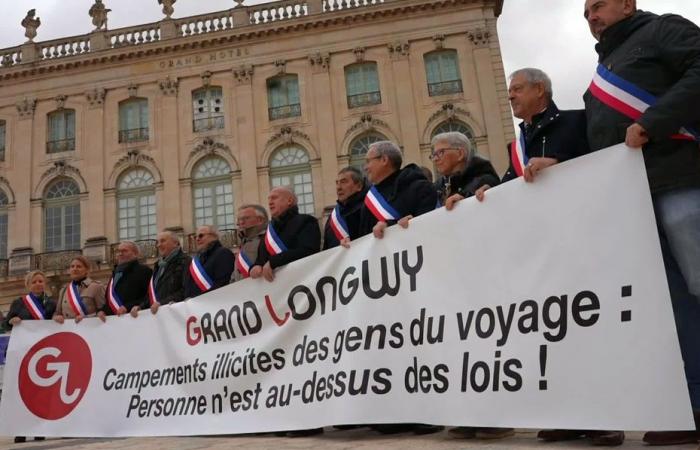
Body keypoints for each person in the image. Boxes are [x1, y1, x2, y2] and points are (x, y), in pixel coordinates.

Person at [583, 0, 700, 445]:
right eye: (585, 12)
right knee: (673, 306)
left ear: (628, 4)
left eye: (598, 5)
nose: (591, 16)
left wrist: (654, 121)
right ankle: (693, 404)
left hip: (682, 179)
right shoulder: (599, 76)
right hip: (637, 198)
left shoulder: (664, 30)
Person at [476, 68, 589, 201]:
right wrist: (490, 192)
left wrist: (558, 163)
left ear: (539, 89)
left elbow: (600, 159)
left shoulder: (578, 120)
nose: (510, 96)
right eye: (509, 91)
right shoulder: (516, 147)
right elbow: (510, 186)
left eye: (517, 89)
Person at [3, 270, 55, 443]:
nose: (38, 284)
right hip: (23, 352)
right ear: (28, 285)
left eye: (41, 281)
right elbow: (5, 322)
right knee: (22, 392)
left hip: (44, 352)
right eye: (34, 282)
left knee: (41, 392)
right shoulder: (19, 303)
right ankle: (21, 430)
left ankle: (40, 428)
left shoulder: (51, 303)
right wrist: (12, 321)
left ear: (45, 283)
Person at [358, 141, 437, 240]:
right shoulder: (370, 198)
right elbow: (363, 239)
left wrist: (391, 225)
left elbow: (432, 226)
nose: (365, 167)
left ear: (384, 160)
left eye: (368, 161)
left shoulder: (421, 188)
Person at [250, 186, 321, 283]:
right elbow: (261, 260)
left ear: (289, 201)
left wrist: (274, 261)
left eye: (274, 198)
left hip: (302, 282)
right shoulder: (269, 231)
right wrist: (255, 267)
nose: (270, 202)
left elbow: (308, 251)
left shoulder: (306, 221)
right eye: (269, 199)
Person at [431, 131, 500, 211]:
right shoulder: (436, 188)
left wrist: (464, 201)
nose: (435, 159)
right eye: (434, 155)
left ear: (460, 154)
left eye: (441, 152)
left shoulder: (485, 182)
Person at [131, 231, 190, 317]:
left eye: (163, 241)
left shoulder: (186, 261)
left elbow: (185, 290)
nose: (158, 245)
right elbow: (153, 293)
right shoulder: (158, 266)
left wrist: (162, 303)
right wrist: (141, 306)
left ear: (175, 243)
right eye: (158, 242)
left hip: (176, 315)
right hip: (160, 316)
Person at [98, 241, 152, 321]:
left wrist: (128, 307)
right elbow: (109, 301)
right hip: (116, 321)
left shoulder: (144, 271)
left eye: (124, 251)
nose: (120, 253)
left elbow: (149, 296)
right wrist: (102, 311)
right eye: (118, 251)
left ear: (136, 253)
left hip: (136, 319)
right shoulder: (115, 274)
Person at [183, 225, 235, 299]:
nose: (197, 239)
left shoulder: (223, 253)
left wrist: (197, 298)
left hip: (214, 304)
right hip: (194, 307)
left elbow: (221, 283)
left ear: (214, 236)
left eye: (201, 236)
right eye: (195, 237)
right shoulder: (196, 260)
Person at [323, 167, 367, 250]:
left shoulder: (369, 208)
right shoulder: (332, 218)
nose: (338, 187)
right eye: (337, 183)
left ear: (359, 186)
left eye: (343, 182)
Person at [53, 256, 106, 323]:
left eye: (79, 266)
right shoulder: (64, 290)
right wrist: (56, 317)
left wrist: (85, 318)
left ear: (86, 270)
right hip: (69, 331)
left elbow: (103, 312)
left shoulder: (96, 287)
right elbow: (57, 313)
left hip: (89, 329)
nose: (75, 269)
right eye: (72, 266)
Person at [231, 205, 268, 282]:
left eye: (246, 218)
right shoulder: (243, 241)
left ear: (260, 220)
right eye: (239, 219)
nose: (240, 222)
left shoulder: (268, 239)